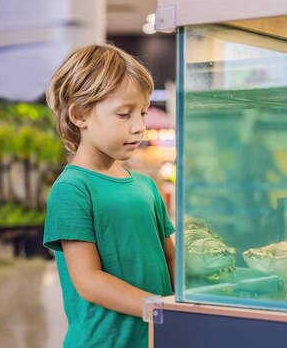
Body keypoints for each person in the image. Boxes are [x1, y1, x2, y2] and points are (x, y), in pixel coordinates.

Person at [43, 44, 175, 348]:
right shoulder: (72, 189)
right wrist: (159, 309)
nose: (139, 126)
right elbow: (89, 281)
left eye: (141, 113)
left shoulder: (145, 185)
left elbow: (169, 257)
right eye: (124, 114)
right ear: (80, 115)